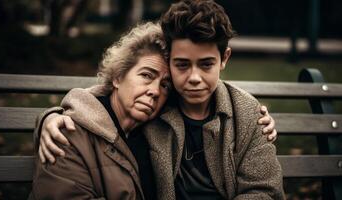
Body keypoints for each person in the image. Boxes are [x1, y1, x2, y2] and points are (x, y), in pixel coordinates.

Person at [33, 0, 284, 199]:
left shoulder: (244, 114)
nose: (194, 78)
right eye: (182, 65)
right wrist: (52, 116)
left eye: (206, 64)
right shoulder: (155, 111)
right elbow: (96, 104)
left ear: (224, 58)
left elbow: (266, 191)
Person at [30, 22, 172, 199]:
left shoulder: (159, 135)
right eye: (146, 75)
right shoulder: (65, 134)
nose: (156, 91)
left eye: (165, 85)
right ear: (118, 77)